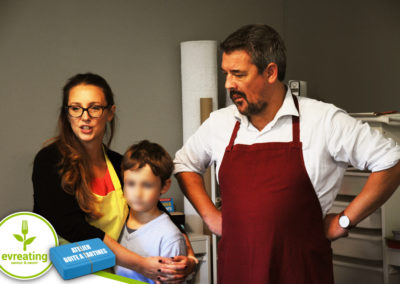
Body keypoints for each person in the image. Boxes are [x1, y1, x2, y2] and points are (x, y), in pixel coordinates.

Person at [174, 24, 400, 283]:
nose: (229, 84)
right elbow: (184, 163)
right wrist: (209, 215)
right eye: (225, 73)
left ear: (270, 72)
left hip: (301, 272)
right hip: (237, 271)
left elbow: (391, 161)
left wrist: (345, 221)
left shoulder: (323, 120)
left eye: (238, 74)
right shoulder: (220, 123)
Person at [32, 73, 196, 283]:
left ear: (110, 112)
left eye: (94, 107)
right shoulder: (49, 161)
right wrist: (141, 265)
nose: (85, 116)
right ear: (66, 114)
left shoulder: (119, 164)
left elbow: (156, 210)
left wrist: (189, 257)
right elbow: (74, 229)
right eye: (75, 108)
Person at [114, 140, 187, 283]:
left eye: (146, 185)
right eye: (131, 183)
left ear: (164, 186)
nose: (137, 193)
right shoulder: (117, 221)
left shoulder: (169, 237)